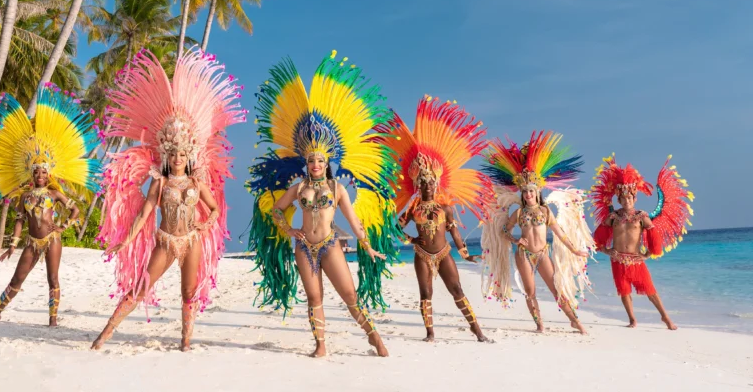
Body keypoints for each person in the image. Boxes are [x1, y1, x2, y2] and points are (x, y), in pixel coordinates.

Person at [91, 49, 245, 351]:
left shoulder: (197, 181)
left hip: (192, 241)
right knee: (141, 286)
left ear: (189, 156)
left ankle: (186, 343)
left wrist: (205, 226)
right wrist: (127, 239)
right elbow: (145, 213)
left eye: (181, 154)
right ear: (166, 155)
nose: (176, 158)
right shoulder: (159, 182)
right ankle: (105, 334)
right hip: (165, 241)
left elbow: (213, 209)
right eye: (172, 153)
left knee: (189, 293)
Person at [248, 52, 399, 357]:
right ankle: (320, 346)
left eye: (319, 160)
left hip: (330, 245)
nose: (315, 164)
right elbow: (276, 209)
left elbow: (354, 221)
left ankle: (375, 338)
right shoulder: (298, 187)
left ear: (327, 162)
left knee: (350, 295)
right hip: (304, 247)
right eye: (310, 160)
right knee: (313, 297)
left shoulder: (337, 187)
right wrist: (288, 229)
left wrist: (366, 245)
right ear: (305, 162)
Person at [0, 85, 99, 327]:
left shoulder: (54, 193)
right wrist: (12, 246)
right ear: (32, 174)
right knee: (18, 277)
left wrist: (63, 226)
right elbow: (19, 221)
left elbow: (75, 209)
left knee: (52, 278)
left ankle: (53, 318)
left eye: (44, 172)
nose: (40, 175)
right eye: (37, 172)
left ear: (49, 174)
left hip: (52, 240)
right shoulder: (24, 197)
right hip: (31, 243)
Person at [384, 97, 495, 343]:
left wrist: (466, 254)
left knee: (456, 290)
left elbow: (455, 234)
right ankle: (430, 333)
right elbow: (393, 227)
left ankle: (477, 330)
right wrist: (411, 239)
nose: (428, 185)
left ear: (437, 183)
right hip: (422, 253)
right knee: (426, 293)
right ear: (417, 184)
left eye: (431, 181)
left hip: (444, 253)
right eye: (423, 182)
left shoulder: (446, 207)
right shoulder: (413, 208)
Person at [480, 132, 594, 334]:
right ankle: (539, 324)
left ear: (537, 192)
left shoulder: (546, 211)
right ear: (522, 194)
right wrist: (516, 240)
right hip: (524, 254)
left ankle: (574, 320)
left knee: (556, 288)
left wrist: (575, 251)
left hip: (542, 254)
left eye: (531, 191)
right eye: (525, 191)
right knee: (530, 292)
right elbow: (505, 230)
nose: (528, 194)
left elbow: (559, 233)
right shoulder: (519, 212)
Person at [590, 155, 693, 330]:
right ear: (619, 200)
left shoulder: (641, 216)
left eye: (630, 198)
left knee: (650, 291)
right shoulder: (613, 217)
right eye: (623, 198)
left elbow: (653, 235)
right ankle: (632, 319)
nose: (627, 200)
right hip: (617, 259)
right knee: (624, 292)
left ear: (634, 198)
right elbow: (598, 240)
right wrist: (607, 251)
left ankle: (665, 317)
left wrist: (648, 254)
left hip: (636, 260)